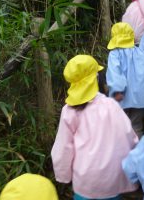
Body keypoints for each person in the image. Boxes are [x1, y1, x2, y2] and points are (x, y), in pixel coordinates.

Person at [51, 55, 138, 200]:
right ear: (96, 78)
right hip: (112, 178)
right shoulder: (111, 105)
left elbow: (63, 147)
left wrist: (63, 175)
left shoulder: (70, 111)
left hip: (85, 181)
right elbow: (129, 136)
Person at [106, 23, 144, 138]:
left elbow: (115, 73)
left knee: (120, 126)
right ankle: (137, 151)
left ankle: (123, 150)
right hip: (139, 98)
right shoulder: (141, 52)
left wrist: (117, 90)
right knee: (136, 126)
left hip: (121, 96)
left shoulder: (114, 54)